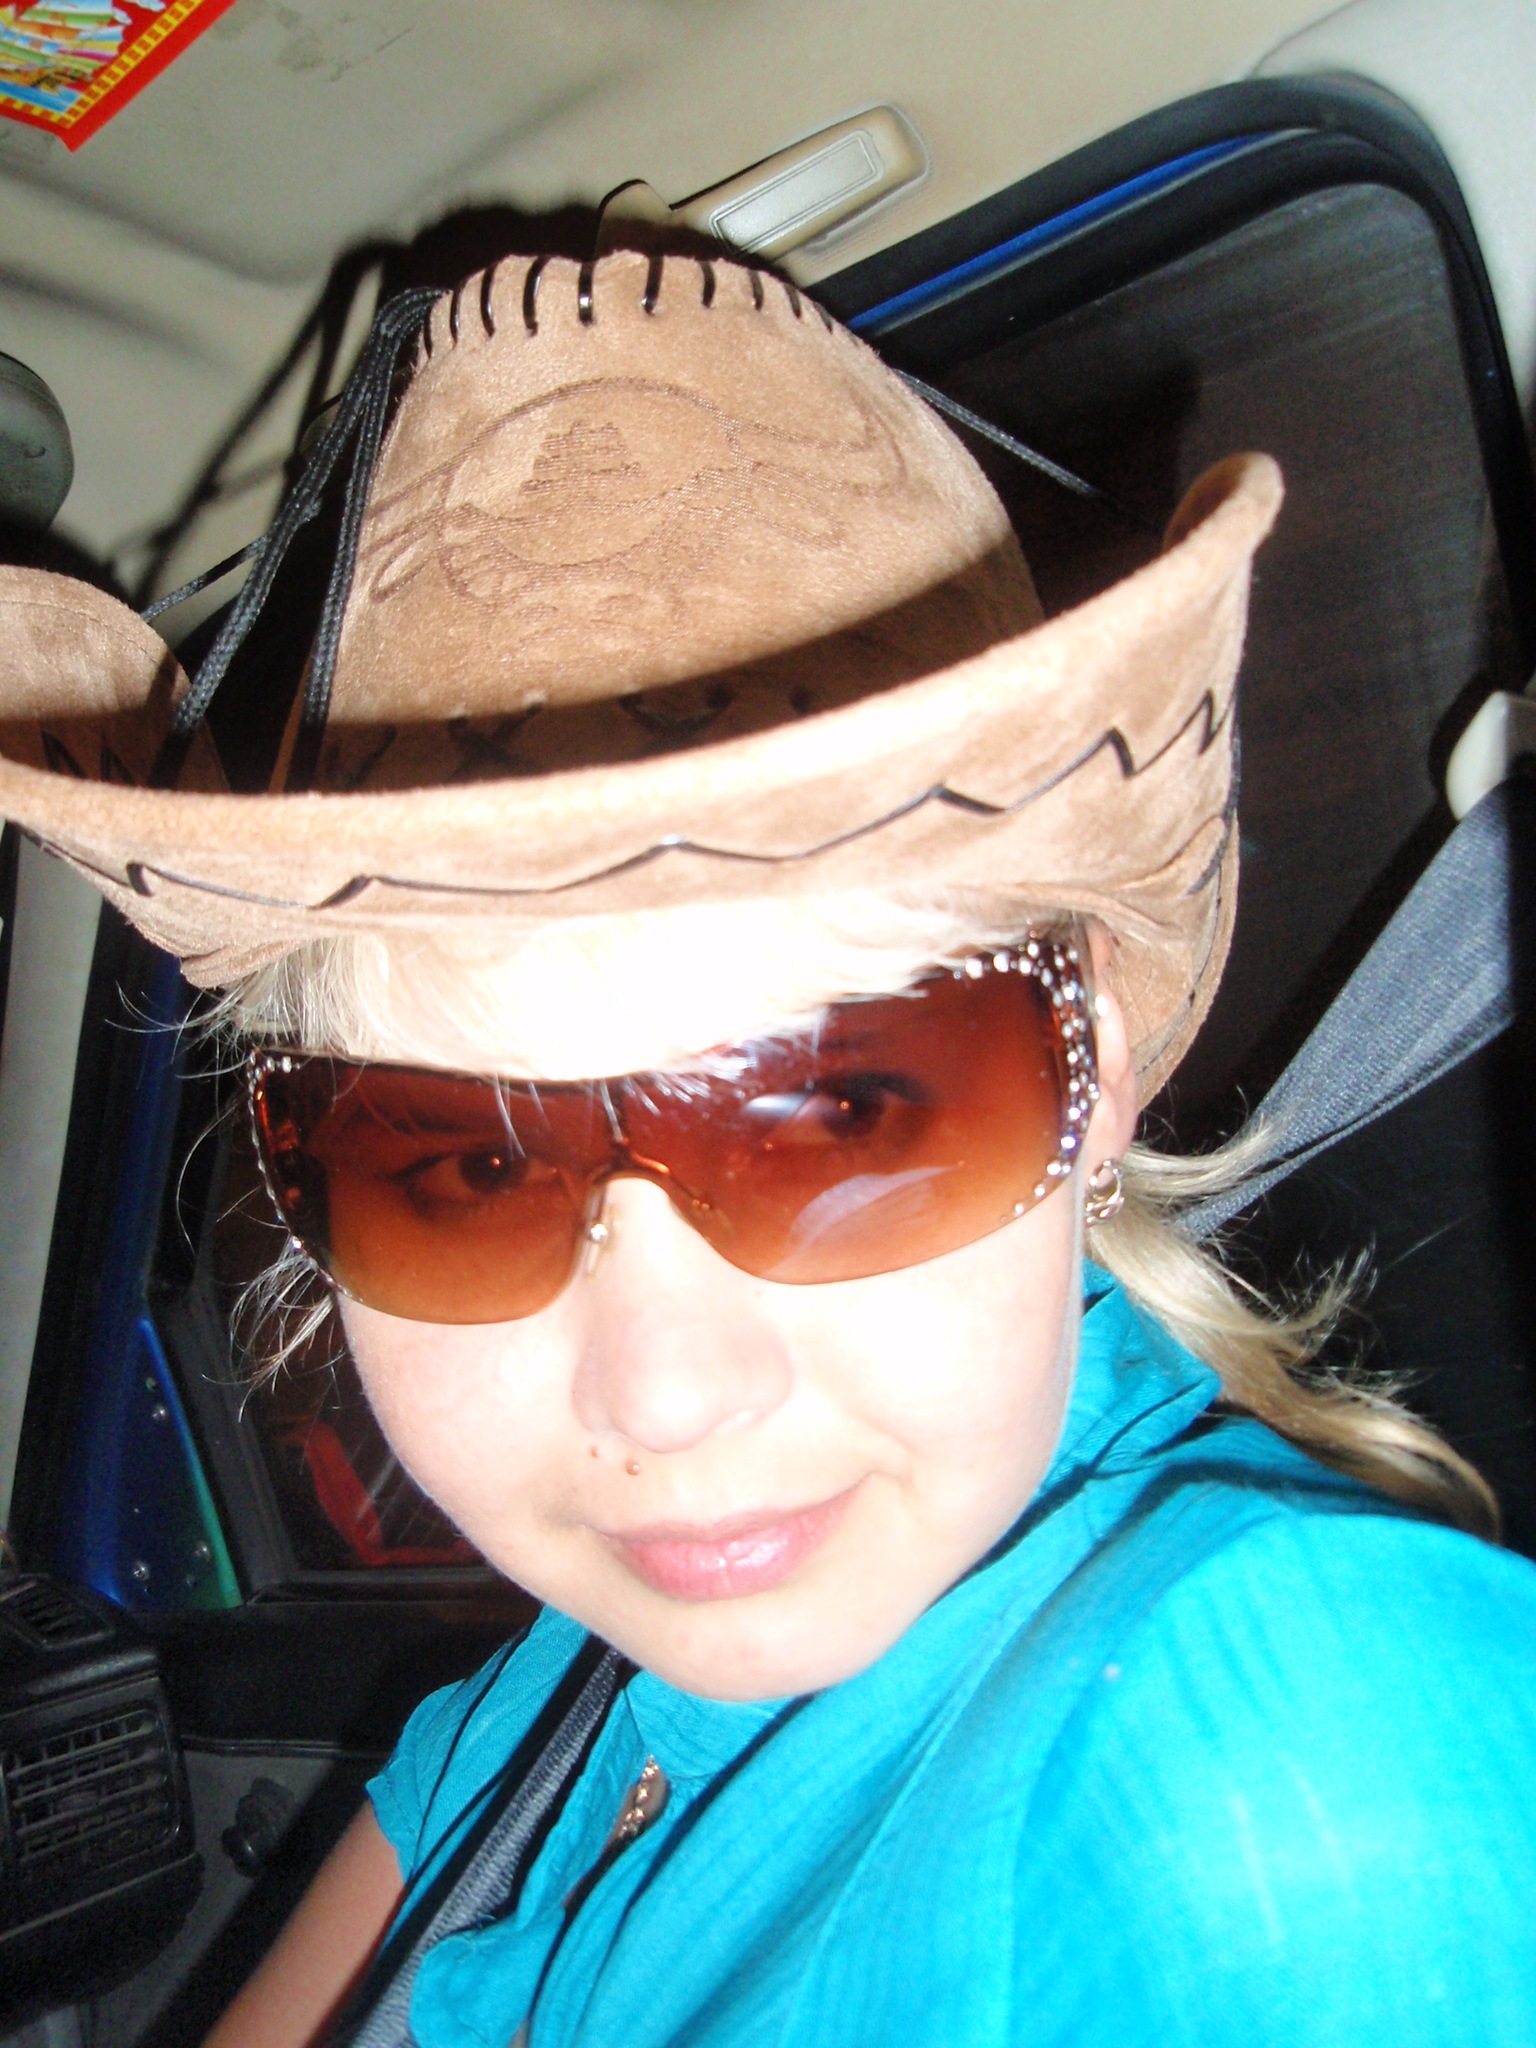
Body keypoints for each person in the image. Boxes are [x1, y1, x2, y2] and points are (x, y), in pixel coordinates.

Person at [2, 244, 1535, 2048]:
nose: (664, 1398)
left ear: (1093, 1078)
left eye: (843, 1111)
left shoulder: (1292, 1760)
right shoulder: (567, 1687)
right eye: (469, 1170)